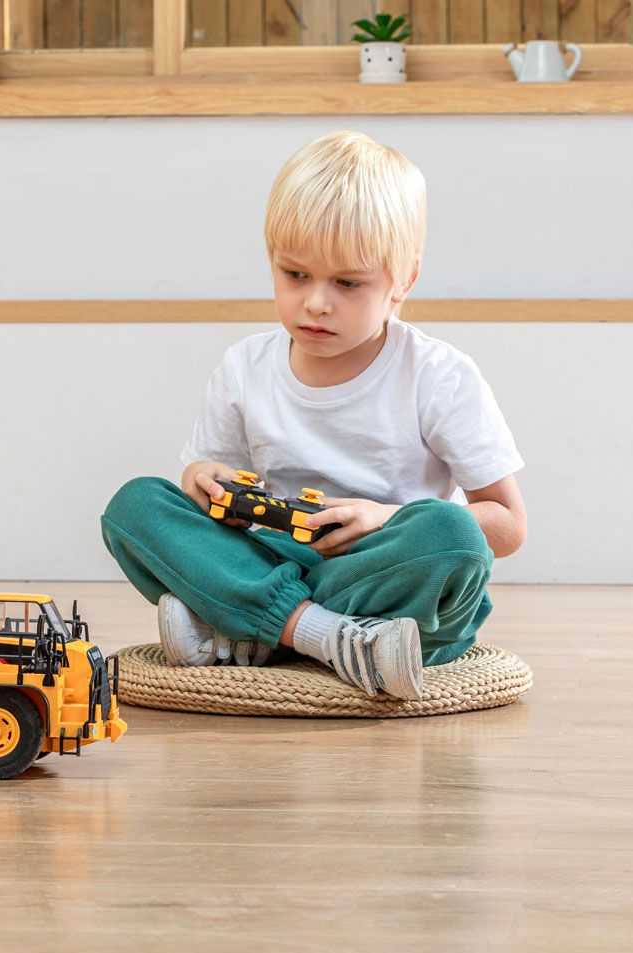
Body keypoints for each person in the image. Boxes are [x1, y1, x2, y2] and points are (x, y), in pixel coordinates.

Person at [101, 130, 526, 699]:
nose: (316, 302)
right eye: (295, 275)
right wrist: (201, 482)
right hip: (275, 557)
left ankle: (254, 627)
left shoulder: (438, 374)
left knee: (449, 533)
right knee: (136, 507)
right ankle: (330, 636)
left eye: (348, 283)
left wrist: (384, 518)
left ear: (404, 282)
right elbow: (207, 487)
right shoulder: (244, 367)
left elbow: (506, 524)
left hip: (378, 570)